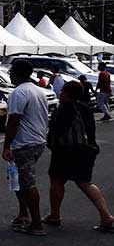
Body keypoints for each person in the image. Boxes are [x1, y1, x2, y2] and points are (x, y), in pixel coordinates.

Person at [45, 80, 114, 232]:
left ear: (67, 93)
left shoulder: (62, 111)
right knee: (85, 183)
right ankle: (106, 215)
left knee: (56, 180)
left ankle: (55, 215)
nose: (60, 93)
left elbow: (56, 133)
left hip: (65, 152)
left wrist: (51, 144)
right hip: (86, 150)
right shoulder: (86, 109)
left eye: (63, 91)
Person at [3, 59, 51, 236]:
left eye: (11, 71)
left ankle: (36, 224)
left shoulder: (19, 93)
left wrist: (6, 145)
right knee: (19, 179)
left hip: (24, 143)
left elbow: (14, 121)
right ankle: (23, 214)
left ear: (17, 73)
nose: (10, 74)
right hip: (37, 140)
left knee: (28, 182)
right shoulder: (38, 91)